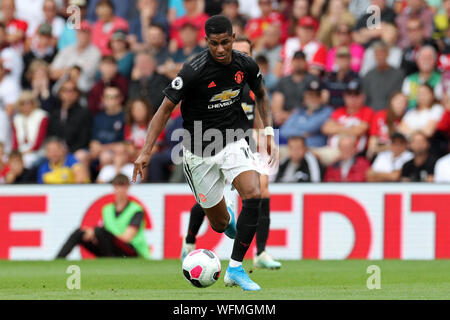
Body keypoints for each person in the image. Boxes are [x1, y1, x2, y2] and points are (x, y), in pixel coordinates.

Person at [132, 15, 275, 291]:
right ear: (206, 42)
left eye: (224, 42)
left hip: (234, 139)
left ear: (233, 38)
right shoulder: (192, 71)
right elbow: (163, 110)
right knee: (220, 224)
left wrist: (268, 132)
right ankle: (229, 218)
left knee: (254, 193)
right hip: (199, 153)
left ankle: (235, 269)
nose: (220, 49)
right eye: (214, 44)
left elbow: (262, 94)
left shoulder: (245, 64)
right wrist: (145, 152)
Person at [180, 35, 282, 270]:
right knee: (213, 200)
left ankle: (261, 251)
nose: (242, 55)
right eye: (239, 51)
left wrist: (267, 136)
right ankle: (189, 242)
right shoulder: (224, 80)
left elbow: (257, 111)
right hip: (216, 142)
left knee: (260, 190)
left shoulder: (250, 82)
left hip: (244, 143)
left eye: (247, 52)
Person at [56, 173, 150, 259]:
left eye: (122, 186)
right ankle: (58, 260)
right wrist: (94, 234)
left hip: (132, 251)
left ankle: (109, 260)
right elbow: (104, 232)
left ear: (127, 187)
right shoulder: (107, 209)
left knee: (99, 232)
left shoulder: (136, 209)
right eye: (117, 186)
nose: (120, 190)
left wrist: (99, 233)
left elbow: (127, 237)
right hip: (113, 248)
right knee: (80, 233)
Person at [50, 20, 102, 93]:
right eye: (80, 32)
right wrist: (71, 71)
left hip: (84, 89)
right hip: (63, 86)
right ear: (76, 34)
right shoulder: (67, 49)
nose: (82, 35)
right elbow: (53, 72)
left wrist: (66, 70)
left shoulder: (95, 52)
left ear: (90, 35)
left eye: (85, 32)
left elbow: (89, 74)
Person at [280, 79, 333, 147]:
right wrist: (302, 133)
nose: (313, 99)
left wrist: (295, 129)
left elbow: (311, 127)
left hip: (314, 148)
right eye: (310, 95)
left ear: (320, 98)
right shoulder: (299, 111)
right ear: (305, 97)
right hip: (293, 149)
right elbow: (283, 130)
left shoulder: (327, 111)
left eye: (316, 96)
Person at [272, 51, 317, 126]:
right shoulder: (284, 81)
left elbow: (312, 103)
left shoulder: (312, 80)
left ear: (305, 62)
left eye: (301, 60)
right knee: (270, 125)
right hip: (283, 119)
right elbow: (277, 101)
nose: (298, 63)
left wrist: (288, 116)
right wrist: (278, 114)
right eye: (296, 60)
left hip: (305, 118)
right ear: (292, 62)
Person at [362, 41, 405, 111]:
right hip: (372, 115)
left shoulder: (398, 74)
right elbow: (366, 100)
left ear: (387, 54)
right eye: (377, 54)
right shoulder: (368, 75)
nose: (379, 57)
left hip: (390, 113)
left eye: (382, 53)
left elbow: (398, 98)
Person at [12, 91, 49, 168]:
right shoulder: (17, 118)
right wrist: (15, 154)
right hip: (21, 152)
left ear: (33, 103)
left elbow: (40, 139)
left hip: (38, 152)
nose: (26, 106)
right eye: (22, 104)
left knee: (27, 162)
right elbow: (15, 141)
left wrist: (27, 152)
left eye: (28, 103)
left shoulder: (41, 116)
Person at [367, 92, 409, 159]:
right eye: (399, 102)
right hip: (379, 156)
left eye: (404, 103)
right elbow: (372, 147)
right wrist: (388, 147)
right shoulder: (380, 116)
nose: (401, 105)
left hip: (398, 157)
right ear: (391, 102)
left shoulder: (406, 120)